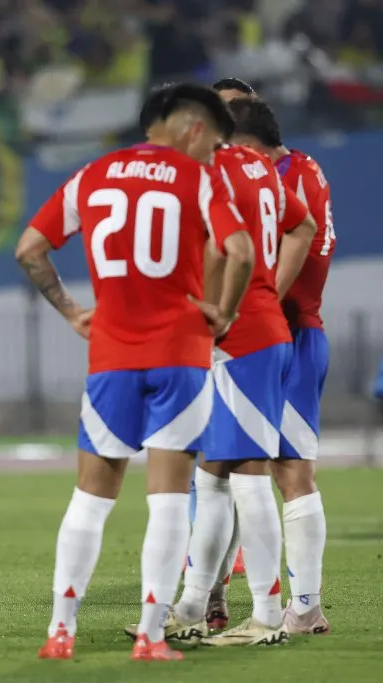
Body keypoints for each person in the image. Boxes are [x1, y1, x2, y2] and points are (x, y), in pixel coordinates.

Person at [17, 83, 254, 661]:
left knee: (90, 499)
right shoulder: (199, 179)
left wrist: (71, 310)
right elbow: (241, 251)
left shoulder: (91, 176)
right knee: (169, 500)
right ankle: (150, 636)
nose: (213, 155)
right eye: (214, 144)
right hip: (180, 355)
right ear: (195, 129)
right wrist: (223, 313)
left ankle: (60, 632)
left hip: (111, 358)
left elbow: (29, 249)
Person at [126, 95, 315, 647]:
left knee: (250, 477)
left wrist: (213, 316)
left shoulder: (209, 171)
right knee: (211, 477)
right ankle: (190, 606)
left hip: (237, 342)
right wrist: (269, 293)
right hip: (257, 332)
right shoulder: (257, 166)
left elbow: (218, 249)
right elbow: (300, 226)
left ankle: (267, 616)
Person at [213, 79, 334, 636]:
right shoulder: (294, 171)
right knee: (232, 468)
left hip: (282, 337)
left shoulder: (285, 174)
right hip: (269, 335)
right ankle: (214, 596)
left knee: (285, 472)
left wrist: (257, 302)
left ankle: (299, 607)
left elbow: (305, 245)